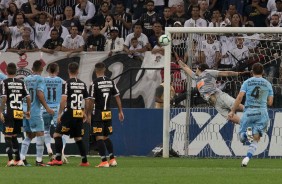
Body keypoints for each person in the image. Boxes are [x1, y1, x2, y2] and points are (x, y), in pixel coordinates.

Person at [228, 63, 273, 167]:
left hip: (249, 112)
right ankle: (247, 158)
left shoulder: (247, 82)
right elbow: (270, 102)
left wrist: (232, 111)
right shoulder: (267, 84)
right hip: (262, 113)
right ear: (263, 72)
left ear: (252, 72)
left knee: (242, 138)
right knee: (256, 138)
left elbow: (239, 97)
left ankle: (247, 134)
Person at [48, 62, 90, 166]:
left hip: (69, 113)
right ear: (78, 71)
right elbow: (88, 100)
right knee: (78, 137)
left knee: (57, 134)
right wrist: (85, 112)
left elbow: (63, 99)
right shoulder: (82, 84)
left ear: (68, 71)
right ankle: (84, 161)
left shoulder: (67, 83)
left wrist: (59, 114)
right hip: (79, 112)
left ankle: (58, 159)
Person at [178, 60, 244, 124]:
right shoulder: (196, 77)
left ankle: (253, 111)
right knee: (230, 117)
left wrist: (238, 73)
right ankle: (246, 125)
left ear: (199, 68)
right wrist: (178, 60)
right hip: (214, 103)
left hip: (219, 96)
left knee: (237, 106)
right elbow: (185, 67)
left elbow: (225, 73)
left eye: (197, 68)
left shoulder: (208, 72)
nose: (196, 69)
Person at [88, 62, 124, 167]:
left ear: (95, 71)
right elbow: (117, 96)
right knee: (105, 136)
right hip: (107, 113)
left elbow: (91, 100)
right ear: (104, 70)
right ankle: (112, 159)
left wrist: (89, 114)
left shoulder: (94, 83)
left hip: (98, 113)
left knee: (98, 137)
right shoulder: (111, 82)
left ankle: (104, 161)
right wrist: (120, 111)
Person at [20, 60, 54, 166]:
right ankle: (39, 160)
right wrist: (47, 108)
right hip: (34, 111)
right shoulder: (40, 79)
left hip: (25, 110)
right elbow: (39, 94)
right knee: (40, 134)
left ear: (32, 68)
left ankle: (22, 159)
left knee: (29, 135)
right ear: (41, 69)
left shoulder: (25, 79)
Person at [0, 63, 31, 166]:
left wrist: (0, 111)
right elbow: (28, 97)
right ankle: (18, 159)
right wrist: (28, 110)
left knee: (8, 135)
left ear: (6, 72)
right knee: (14, 136)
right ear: (16, 72)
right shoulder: (21, 82)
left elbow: (4, 98)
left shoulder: (4, 82)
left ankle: (10, 160)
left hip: (9, 112)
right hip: (19, 112)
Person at [42, 63, 68, 163]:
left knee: (46, 130)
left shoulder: (43, 80)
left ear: (48, 70)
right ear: (57, 71)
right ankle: (61, 151)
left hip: (45, 109)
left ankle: (49, 149)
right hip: (57, 109)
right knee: (62, 132)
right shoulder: (61, 81)